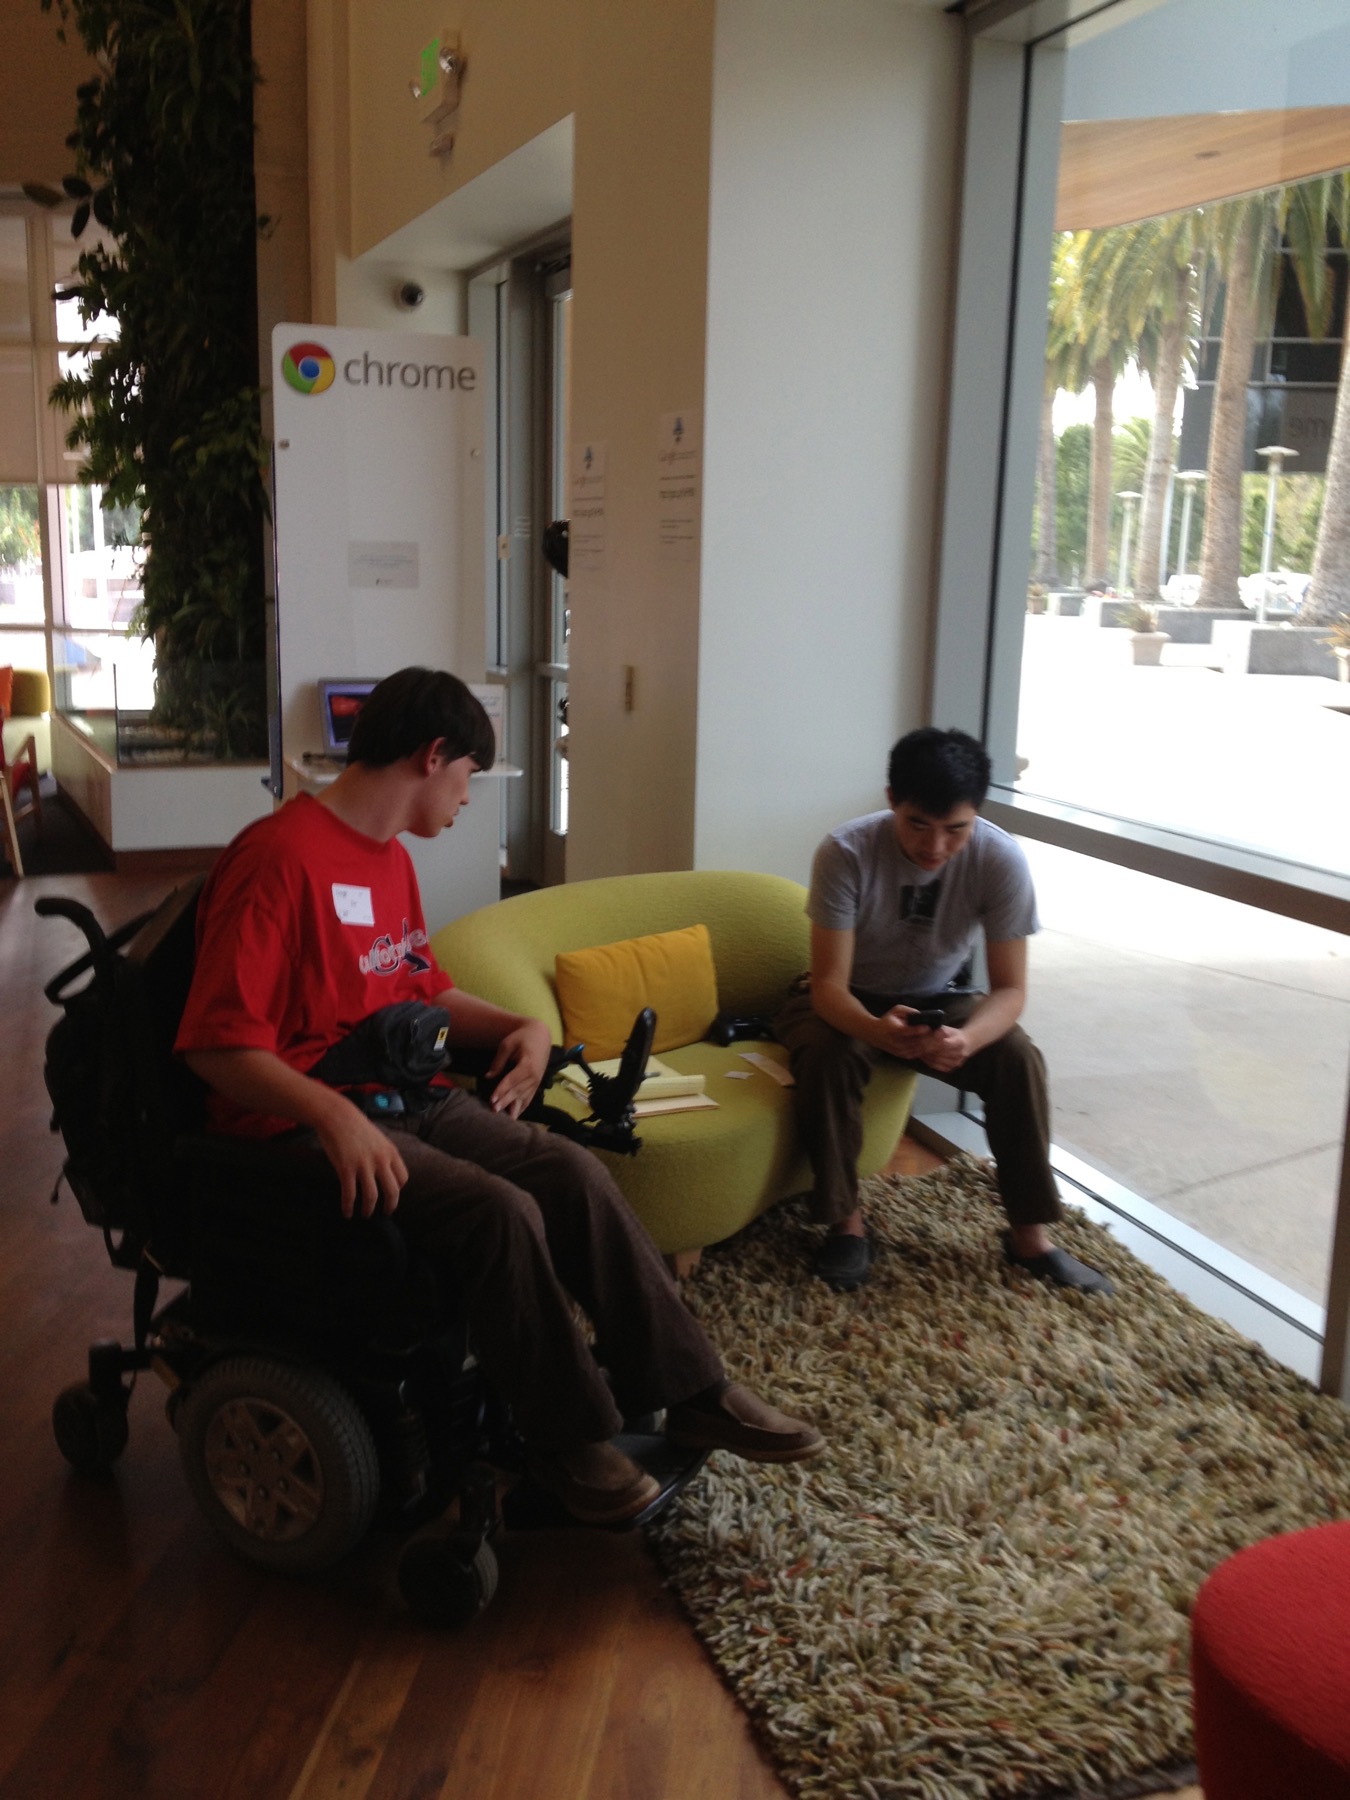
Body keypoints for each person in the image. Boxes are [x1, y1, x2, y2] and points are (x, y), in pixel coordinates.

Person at [175, 666, 823, 1526]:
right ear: (432, 754)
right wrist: (329, 1115)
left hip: (401, 1098)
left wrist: (522, 1027)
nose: (467, 798)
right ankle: (564, 1439)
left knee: (570, 1172)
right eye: (469, 776)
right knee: (498, 1211)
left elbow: (420, 992)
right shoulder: (277, 860)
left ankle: (692, 1388)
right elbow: (215, 1047)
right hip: (304, 1125)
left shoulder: (388, 862)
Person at [775, 726, 1113, 1298]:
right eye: (918, 826)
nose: (935, 848)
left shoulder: (1000, 859)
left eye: (955, 830)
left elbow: (1010, 991)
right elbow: (829, 988)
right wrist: (876, 1031)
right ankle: (847, 1225)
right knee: (829, 1059)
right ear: (891, 802)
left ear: (976, 815)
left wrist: (968, 1039)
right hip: (848, 996)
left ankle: (1030, 1237)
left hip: (940, 995)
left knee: (1016, 1057)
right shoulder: (846, 852)